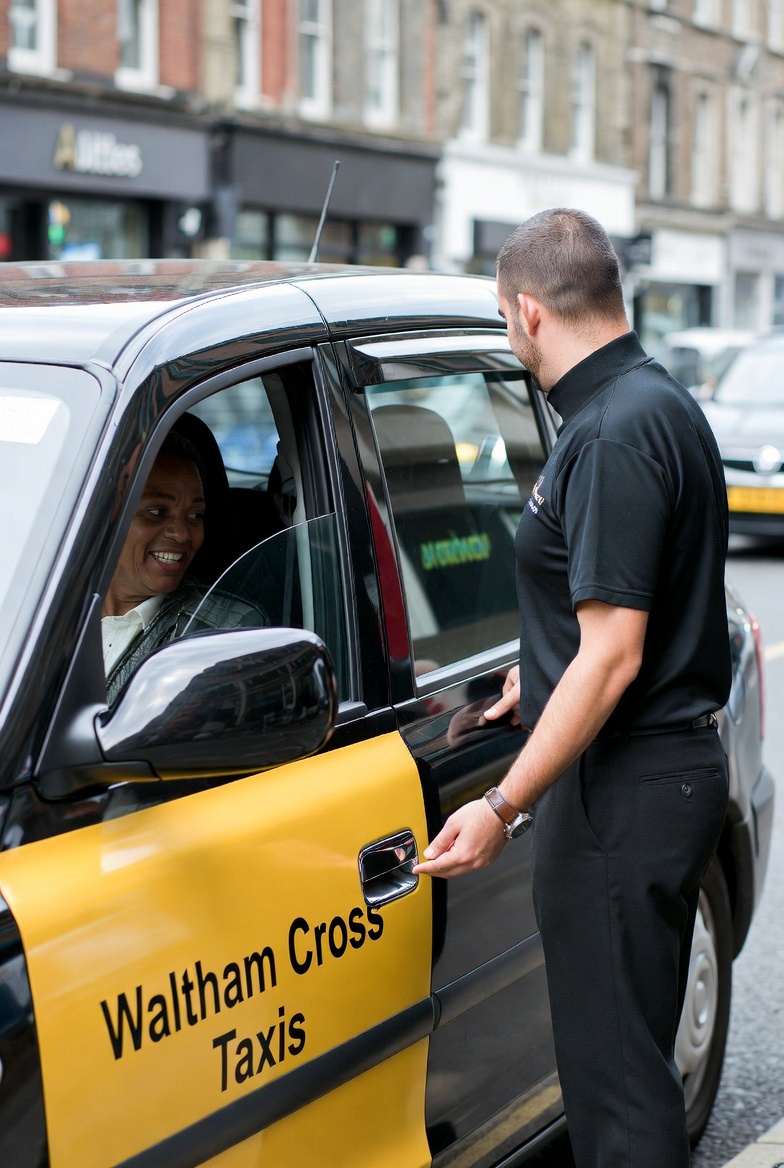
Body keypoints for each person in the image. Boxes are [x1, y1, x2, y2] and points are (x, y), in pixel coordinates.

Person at [413, 208, 731, 1167]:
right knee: (626, 1079)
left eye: (509, 322)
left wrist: (502, 806)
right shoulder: (656, 403)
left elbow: (616, 654)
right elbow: (622, 611)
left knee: (622, 1103)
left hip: (623, 793)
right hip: (654, 780)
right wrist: (543, 664)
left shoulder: (607, 436)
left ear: (527, 312)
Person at [102, 430, 266, 704]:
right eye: (157, 512)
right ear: (106, 515)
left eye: (194, 515)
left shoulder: (225, 631)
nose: (182, 534)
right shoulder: (41, 605)